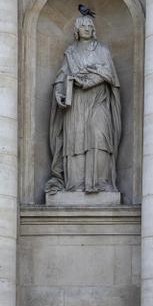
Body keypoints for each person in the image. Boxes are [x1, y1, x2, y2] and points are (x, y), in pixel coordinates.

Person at [46, 12, 123, 195]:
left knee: (99, 136)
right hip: (77, 103)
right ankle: (75, 184)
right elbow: (61, 77)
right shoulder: (71, 52)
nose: (87, 29)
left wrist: (88, 82)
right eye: (83, 26)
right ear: (76, 31)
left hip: (99, 100)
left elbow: (110, 75)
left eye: (90, 26)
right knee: (76, 140)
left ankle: (100, 182)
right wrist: (59, 93)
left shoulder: (102, 50)